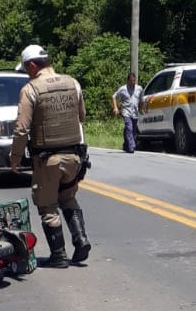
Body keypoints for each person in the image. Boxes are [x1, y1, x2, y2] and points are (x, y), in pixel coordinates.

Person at [8, 44, 91, 269]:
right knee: (68, 198)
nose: (27, 72)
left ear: (33, 65)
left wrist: (15, 157)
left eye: (26, 68)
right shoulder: (73, 82)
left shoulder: (31, 89)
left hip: (48, 159)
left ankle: (59, 256)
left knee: (47, 207)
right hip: (74, 157)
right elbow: (81, 116)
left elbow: (22, 129)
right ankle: (81, 239)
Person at [111, 72, 143, 154]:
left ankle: (126, 145)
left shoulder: (139, 88)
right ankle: (132, 146)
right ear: (127, 80)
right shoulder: (123, 89)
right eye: (131, 81)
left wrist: (141, 108)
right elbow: (114, 96)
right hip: (126, 112)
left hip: (135, 113)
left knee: (133, 131)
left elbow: (141, 100)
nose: (133, 82)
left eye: (134, 81)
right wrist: (115, 107)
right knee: (129, 127)